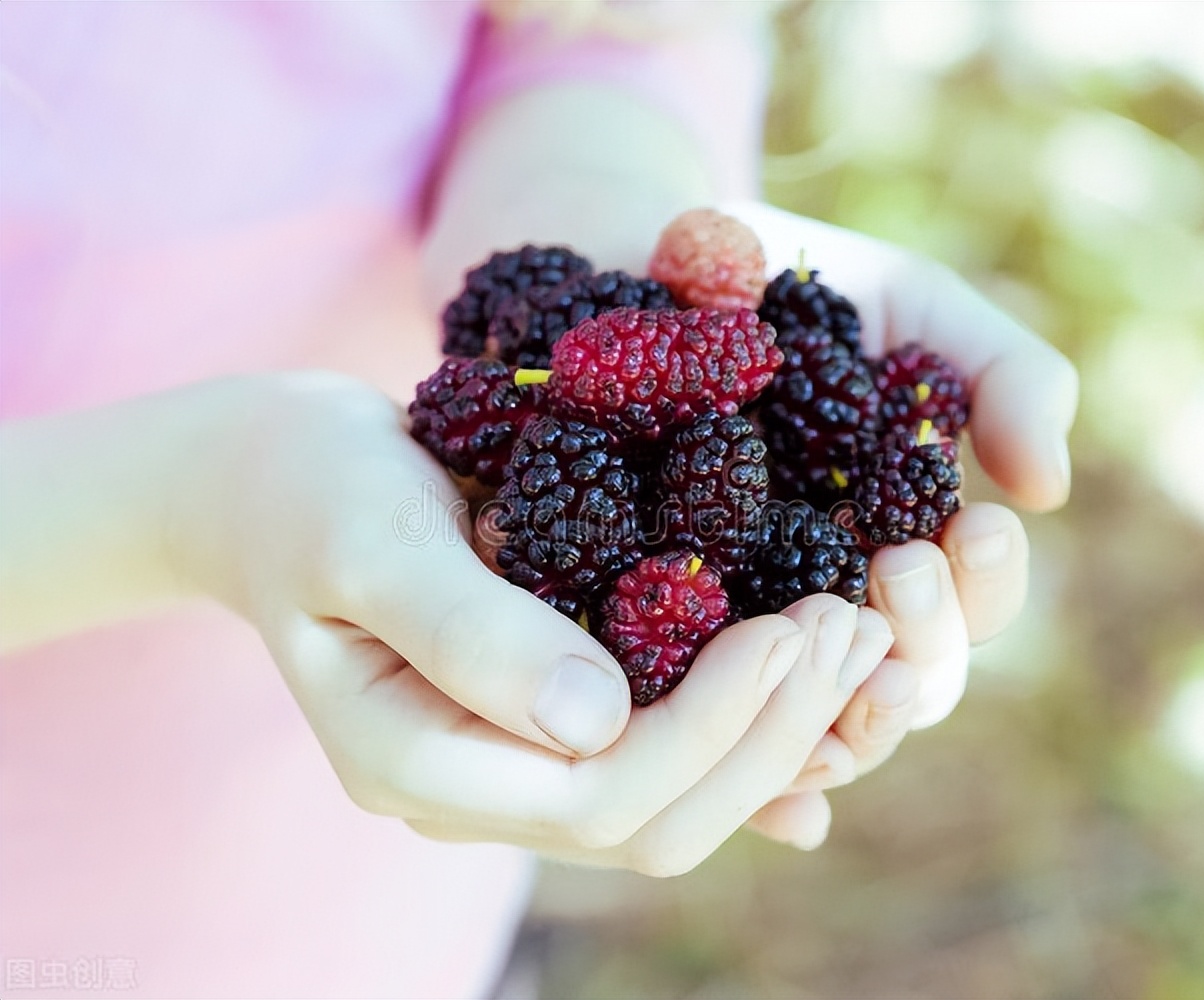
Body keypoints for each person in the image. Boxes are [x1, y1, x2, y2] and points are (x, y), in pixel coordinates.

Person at [0, 3, 1077, 998]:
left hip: (366, 876)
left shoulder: (613, 435)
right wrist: (191, 494)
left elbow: (582, 32)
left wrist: (599, 208)